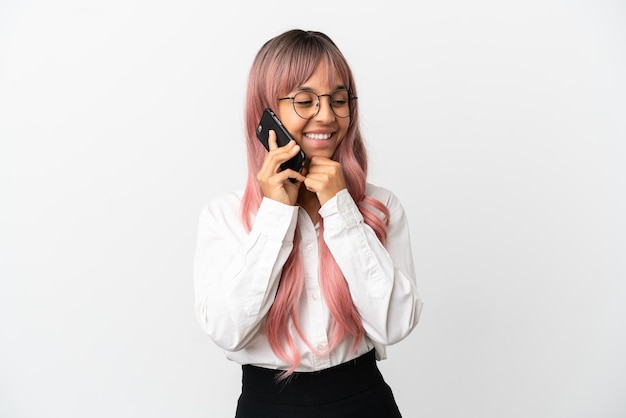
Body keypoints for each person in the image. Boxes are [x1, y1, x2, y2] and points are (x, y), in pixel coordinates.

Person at [193, 29, 423, 418]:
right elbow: (227, 331)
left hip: (363, 401)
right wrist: (276, 214)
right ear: (266, 113)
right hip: (268, 406)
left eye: (339, 100)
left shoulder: (379, 207)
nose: (327, 115)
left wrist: (341, 210)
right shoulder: (225, 216)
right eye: (304, 101)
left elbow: (395, 325)